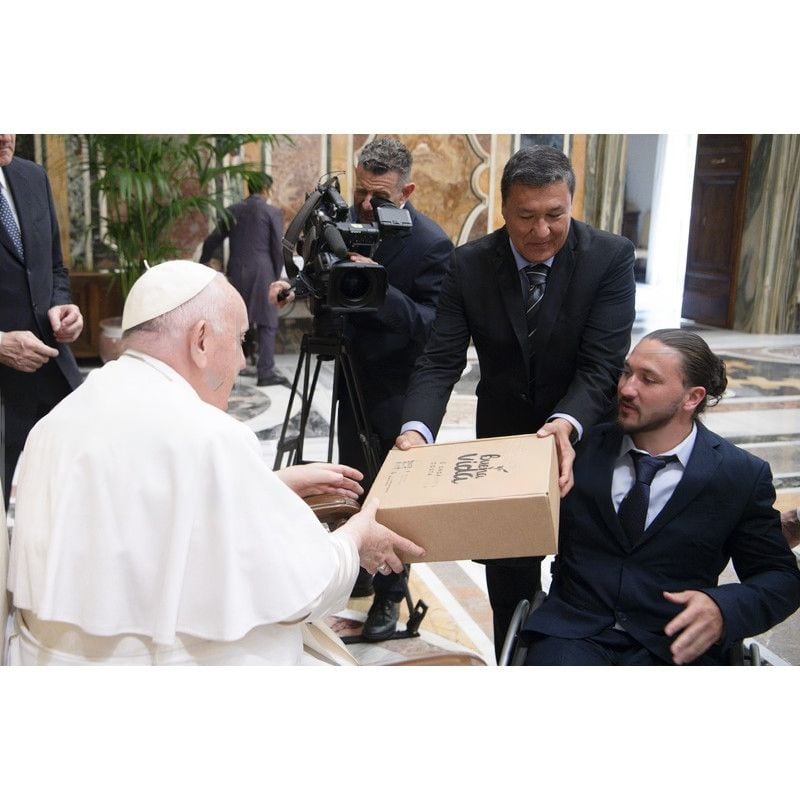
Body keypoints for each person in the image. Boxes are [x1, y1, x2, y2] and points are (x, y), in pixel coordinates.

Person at [5, 260, 424, 666]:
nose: (242, 361)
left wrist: (267, 484)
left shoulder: (57, 420)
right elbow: (302, 591)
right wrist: (356, 538)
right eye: (241, 339)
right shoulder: (210, 435)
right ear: (201, 340)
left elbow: (139, 512)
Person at [395, 145, 636, 658]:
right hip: (502, 445)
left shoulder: (609, 257)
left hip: (583, 442)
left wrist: (564, 423)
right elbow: (440, 360)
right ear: (503, 207)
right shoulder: (470, 264)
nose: (541, 230)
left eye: (555, 214)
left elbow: (602, 364)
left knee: (586, 578)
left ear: (570, 203)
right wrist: (416, 428)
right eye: (526, 216)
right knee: (510, 583)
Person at [520, 329, 800, 665]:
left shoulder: (739, 474)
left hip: (674, 645)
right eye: (626, 372)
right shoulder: (577, 450)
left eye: (648, 380)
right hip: (572, 636)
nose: (626, 388)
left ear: (692, 397)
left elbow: (780, 578)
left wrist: (723, 608)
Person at [270, 137, 453, 640]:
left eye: (380, 197)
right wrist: (294, 287)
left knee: (392, 498)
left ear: (407, 191)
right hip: (349, 376)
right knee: (353, 481)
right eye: (360, 193)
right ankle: (360, 567)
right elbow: (323, 268)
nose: (366, 206)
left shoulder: (431, 244)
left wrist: (382, 288)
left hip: (399, 389)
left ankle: (390, 597)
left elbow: (432, 328)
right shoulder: (344, 217)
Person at [0, 133, 83, 503]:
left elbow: (54, 268)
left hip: (53, 372)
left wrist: (62, 306)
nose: (5, 135)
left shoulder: (33, 177)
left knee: (69, 495)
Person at [200, 172, 285, 386]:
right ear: (266, 189)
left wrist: (203, 264)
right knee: (267, 323)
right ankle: (265, 372)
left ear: (250, 187)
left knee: (235, 322)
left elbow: (211, 240)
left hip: (236, 272)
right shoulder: (272, 212)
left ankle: (230, 371)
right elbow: (278, 248)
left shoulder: (233, 210)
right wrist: (277, 277)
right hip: (264, 273)